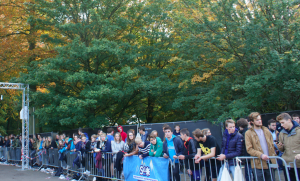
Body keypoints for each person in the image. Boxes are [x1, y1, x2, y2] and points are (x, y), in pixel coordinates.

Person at [245, 112, 276, 181]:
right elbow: (249, 149)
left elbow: (272, 146)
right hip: (257, 164)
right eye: (257, 120)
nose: (260, 121)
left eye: (260, 119)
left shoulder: (266, 130)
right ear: (252, 122)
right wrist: (261, 155)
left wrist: (274, 161)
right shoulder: (248, 133)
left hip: (269, 163)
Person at [276, 113, 300, 180]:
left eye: (283, 122)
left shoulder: (299, 131)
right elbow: (282, 150)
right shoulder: (281, 133)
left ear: (289, 120)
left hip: (298, 164)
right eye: (280, 123)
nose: (281, 125)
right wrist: (280, 146)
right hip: (287, 164)